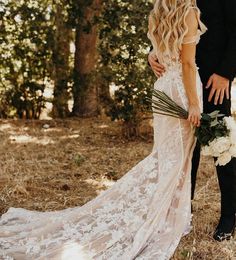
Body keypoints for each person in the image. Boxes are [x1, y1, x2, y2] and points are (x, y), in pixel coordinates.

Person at [0, 1, 205, 259]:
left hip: (163, 88)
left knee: (166, 158)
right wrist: (195, 104)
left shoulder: (158, 11)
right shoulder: (188, 12)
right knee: (176, 160)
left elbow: (158, 51)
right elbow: (187, 64)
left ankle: (171, 214)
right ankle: (165, 218)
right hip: (181, 92)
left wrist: (151, 55)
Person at [149, 0, 236, 242]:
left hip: (214, 81)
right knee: (185, 148)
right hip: (182, 82)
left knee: (222, 144)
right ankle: (181, 211)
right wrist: (153, 53)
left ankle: (229, 215)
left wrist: (226, 73)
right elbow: (167, 25)